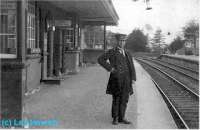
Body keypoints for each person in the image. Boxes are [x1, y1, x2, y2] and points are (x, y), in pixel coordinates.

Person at [98, 34, 136, 125]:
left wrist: (133, 78)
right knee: (116, 98)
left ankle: (122, 117)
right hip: (116, 80)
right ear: (117, 41)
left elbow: (131, 66)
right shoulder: (112, 52)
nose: (122, 43)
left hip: (127, 80)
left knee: (125, 99)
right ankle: (115, 118)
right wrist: (110, 68)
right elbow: (100, 59)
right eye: (120, 41)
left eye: (124, 41)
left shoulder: (127, 53)